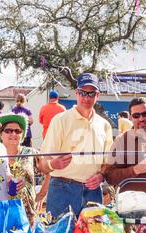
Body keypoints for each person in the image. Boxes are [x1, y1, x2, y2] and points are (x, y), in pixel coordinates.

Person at [39, 72, 113, 218]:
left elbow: (108, 163)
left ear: (97, 96)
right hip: (61, 189)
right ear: (76, 93)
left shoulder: (104, 125)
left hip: (93, 192)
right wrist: (53, 164)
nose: (86, 97)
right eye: (82, 93)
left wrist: (101, 176)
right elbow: (42, 164)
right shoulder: (60, 120)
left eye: (91, 93)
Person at [0, 113, 49, 226]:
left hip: (27, 215)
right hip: (0, 213)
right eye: (8, 131)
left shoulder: (30, 153)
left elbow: (48, 171)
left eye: (18, 131)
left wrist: (42, 194)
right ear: (0, 134)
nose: (13, 134)